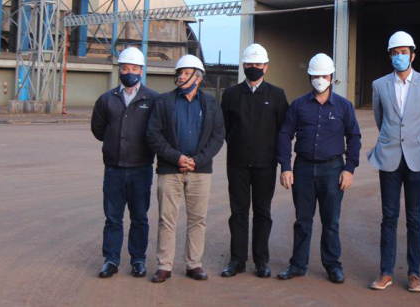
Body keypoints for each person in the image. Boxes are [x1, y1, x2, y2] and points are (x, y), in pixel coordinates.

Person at [276, 53, 361, 284]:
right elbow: (285, 134)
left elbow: (354, 137)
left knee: (331, 222)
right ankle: (297, 265)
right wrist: (285, 166)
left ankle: (333, 266)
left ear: (332, 77)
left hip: (333, 170)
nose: (319, 79)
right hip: (302, 168)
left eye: (324, 75)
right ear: (309, 77)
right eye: (315, 75)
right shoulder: (298, 105)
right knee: (302, 220)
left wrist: (349, 168)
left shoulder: (344, 106)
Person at [368, 31, 420, 293]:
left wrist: (416, 140)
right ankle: (386, 272)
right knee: (389, 216)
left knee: (415, 217)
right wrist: (394, 140)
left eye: (404, 52)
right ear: (390, 55)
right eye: (395, 53)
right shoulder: (379, 85)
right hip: (388, 157)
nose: (399, 57)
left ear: (413, 54)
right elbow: (380, 119)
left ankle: (414, 274)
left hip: (416, 158)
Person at [146, 54, 225, 283]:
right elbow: (154, 135)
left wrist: (198, 160)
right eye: (179, 73)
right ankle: (164, 266)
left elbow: (218, 136)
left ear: (197, 78)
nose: (181, 76)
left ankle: (194, 264)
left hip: (200, 171)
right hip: (170, 170)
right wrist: (177, 157)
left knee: (198, 219)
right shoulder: (164, 102)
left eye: (186, 73)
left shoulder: (210, 103)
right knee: (166, 219)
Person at [220, 44, 289, 279]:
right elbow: (224, 128)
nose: (253, 68)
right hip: (237, 164)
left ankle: (261, 261)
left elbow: (283, 131)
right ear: (243, 66)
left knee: (262, 212)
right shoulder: (230, 95)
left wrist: (281, 162)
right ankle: (237, 260)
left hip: (265, 165)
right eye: (249, 65)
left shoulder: (277, 96)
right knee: (238, 212)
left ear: (266, 67)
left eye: (258, 65)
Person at [91, 47, 159, 279]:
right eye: (125, 68)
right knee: (113, 218)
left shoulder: (152, 99)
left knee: (140, 217)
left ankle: (138, 259)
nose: (129, 72)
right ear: (119, 70)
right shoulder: (107, 99)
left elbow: (157, 131)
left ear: (142, 70)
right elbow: (98, 130)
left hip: (141, 168)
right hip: (114, 169)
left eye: (134, 68)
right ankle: (111, 260)